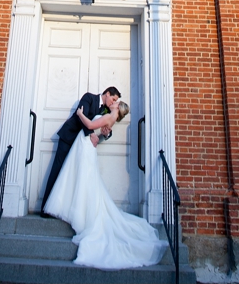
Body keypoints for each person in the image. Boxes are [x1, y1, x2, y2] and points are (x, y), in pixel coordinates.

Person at [44, 100, 169, 269]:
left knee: (85, 181)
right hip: (85, 145)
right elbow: (97, 129)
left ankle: (82, 216)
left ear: (117, 108)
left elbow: (89, 123)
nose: (113, 102)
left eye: (116, 102)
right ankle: (79, 211)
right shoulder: (109, 117)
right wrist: (101, 134)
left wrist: (80, 113)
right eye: (114, 100)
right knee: (85, 181)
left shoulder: (109, 116)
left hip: (86, 147)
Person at [41, 86, 120, 214]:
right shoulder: (89, 97)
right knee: (57, 169)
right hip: (69, 138)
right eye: (113, 99)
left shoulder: (106, 110)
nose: (113, 102)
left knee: (72, 176)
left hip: (82, 145)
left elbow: (106, 126)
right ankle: (45, 209)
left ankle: (65, 210)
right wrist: (92, 133)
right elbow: (80, 116)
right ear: (107, 93)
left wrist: (106, 134)